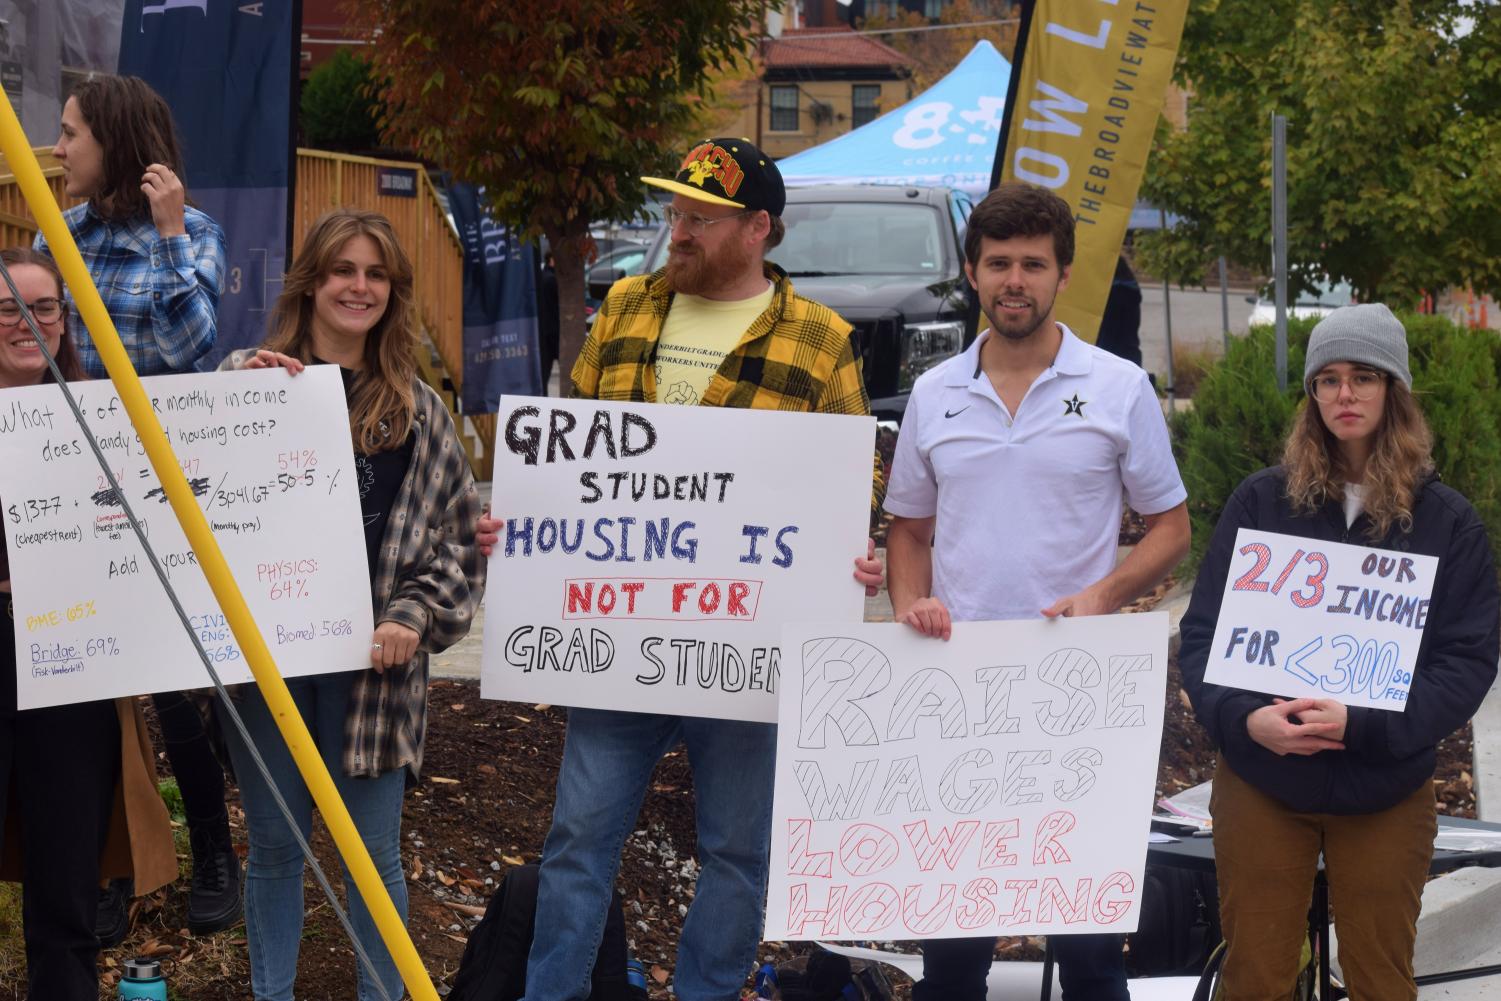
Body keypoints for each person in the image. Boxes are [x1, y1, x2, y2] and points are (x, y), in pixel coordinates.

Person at [501, 137, 885, 1001]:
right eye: (676, 213)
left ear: (758, 229)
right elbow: (572, 452)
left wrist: (847, 556)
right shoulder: (626, 307)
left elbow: (852, 479)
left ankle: (709, 992)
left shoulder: (820, 340)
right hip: (618, 635)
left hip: (746, 648)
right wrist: (526, 522)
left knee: (738, 852)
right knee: (576, 840)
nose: (679, 231)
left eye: (700, 219)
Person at [884, 181, 1191, 1001]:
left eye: (1031, 264)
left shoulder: (1119, 388)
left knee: (1087, 949)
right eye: (997, 264)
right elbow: (908, 528)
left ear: (1061, 276)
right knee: (952, 952)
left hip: (1074, 691)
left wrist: (1102, 594)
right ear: (972, 274)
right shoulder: (934, 394)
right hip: (958, 690)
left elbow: (1170, 526)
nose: (1013, 280)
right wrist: (910, 599)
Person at [1177, 304, 1499, 1001]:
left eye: (1361, 376)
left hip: (1381, 782)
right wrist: (1242, 720)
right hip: (1265, 776)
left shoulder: (1446, 521)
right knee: (1254, 974)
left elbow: (1466, 658)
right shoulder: (1261, 502)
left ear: (1393, 390)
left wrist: (1366, 726)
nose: (1343, 394)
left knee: (1381, 976)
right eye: (1325, 379)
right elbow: (1202, 638)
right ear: (1311, 394)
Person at [218, 208, 486, 1000]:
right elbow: (195, 493)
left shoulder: (420, 413)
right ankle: (272, 993)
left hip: (375, 670)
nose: (358, 287)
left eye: (375, 274)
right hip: (269, 661)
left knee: (374, 858)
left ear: (392, 293)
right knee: (271, 848)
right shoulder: (249, 382)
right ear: (312, 281)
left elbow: (457, 545)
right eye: (343, 270)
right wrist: (236, 403)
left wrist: (412, 616)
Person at [38, 72, 238, 939]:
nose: (57, 147)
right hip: (75, 481)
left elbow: (189, 347)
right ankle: (113, 864)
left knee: (174, 685)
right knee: (99, 686)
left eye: (72, 131)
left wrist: (164, 239)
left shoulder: (193, 232)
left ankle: (214, 854)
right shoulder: (62, 239)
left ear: (115, 142)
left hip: (164, 486)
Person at [0, 247, 176, 999]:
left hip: (71, 672)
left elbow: (198, 445)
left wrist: (251, 382)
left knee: (67, 885)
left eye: (43, 308)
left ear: (65, 321)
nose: (27, 322)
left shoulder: (104, 416)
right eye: (9, 305)